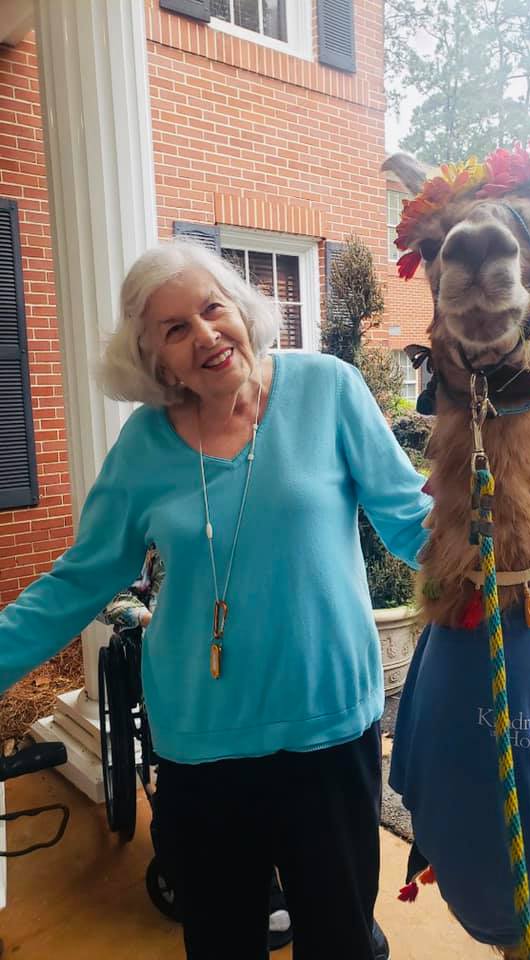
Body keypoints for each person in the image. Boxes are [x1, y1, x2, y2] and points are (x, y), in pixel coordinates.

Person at [0, 240, 431, 960]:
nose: (204, 334)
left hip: (327, 725)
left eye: (212, 308)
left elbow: (413, 523)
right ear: (156, 361)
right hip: (201, 742)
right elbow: (79, 579)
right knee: (221, 942)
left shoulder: (328, 390)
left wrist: (502, 557)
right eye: (175, 329)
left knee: (343, 940)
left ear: (242, 309)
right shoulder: (143, 447)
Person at [97, 545, 293, 952]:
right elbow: (107, 596)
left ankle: (281, 878)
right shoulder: (148, 540)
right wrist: (153, 619)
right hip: (180, 672)